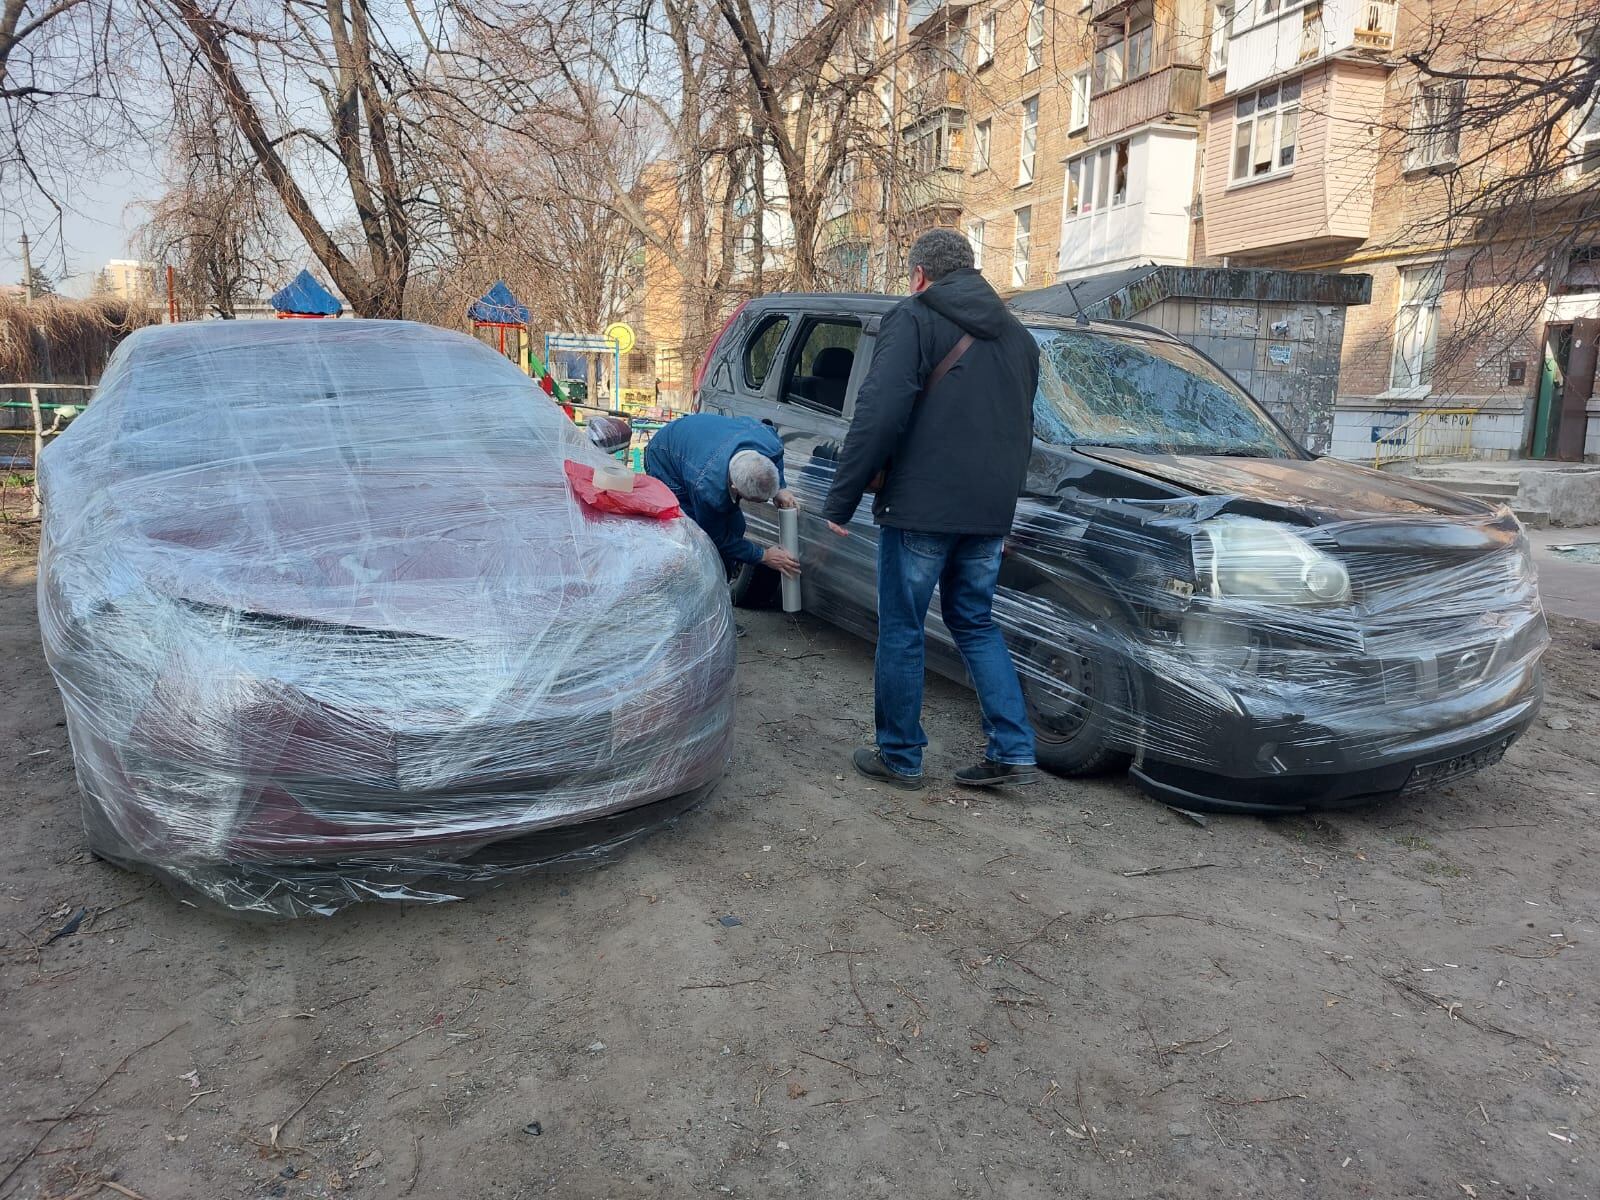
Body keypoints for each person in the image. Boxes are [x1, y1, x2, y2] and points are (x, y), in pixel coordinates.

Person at [821, 228, 1040, 790]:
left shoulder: (914, 317)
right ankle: (1013, 750)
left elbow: (879, 410)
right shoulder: (1021, 339)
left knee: (902, 628)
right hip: (989, 513)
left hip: (921, 507)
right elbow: (1023, 429)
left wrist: (841, 499)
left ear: (920, 275)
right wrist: (1003, 510)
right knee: (975, 622)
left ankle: (900, 755)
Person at [644, 412, 801, 579]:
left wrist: (780, 489)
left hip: (698, 440)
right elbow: (715, 536)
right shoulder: (708, 491)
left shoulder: (770, 445)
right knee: (694, 538)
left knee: (736, 526)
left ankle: (721, 580)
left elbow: (775, 458)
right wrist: (763, 556)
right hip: (665, 459)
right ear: (734, 487)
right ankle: (699, 586)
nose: (764, 502)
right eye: (755, 500)